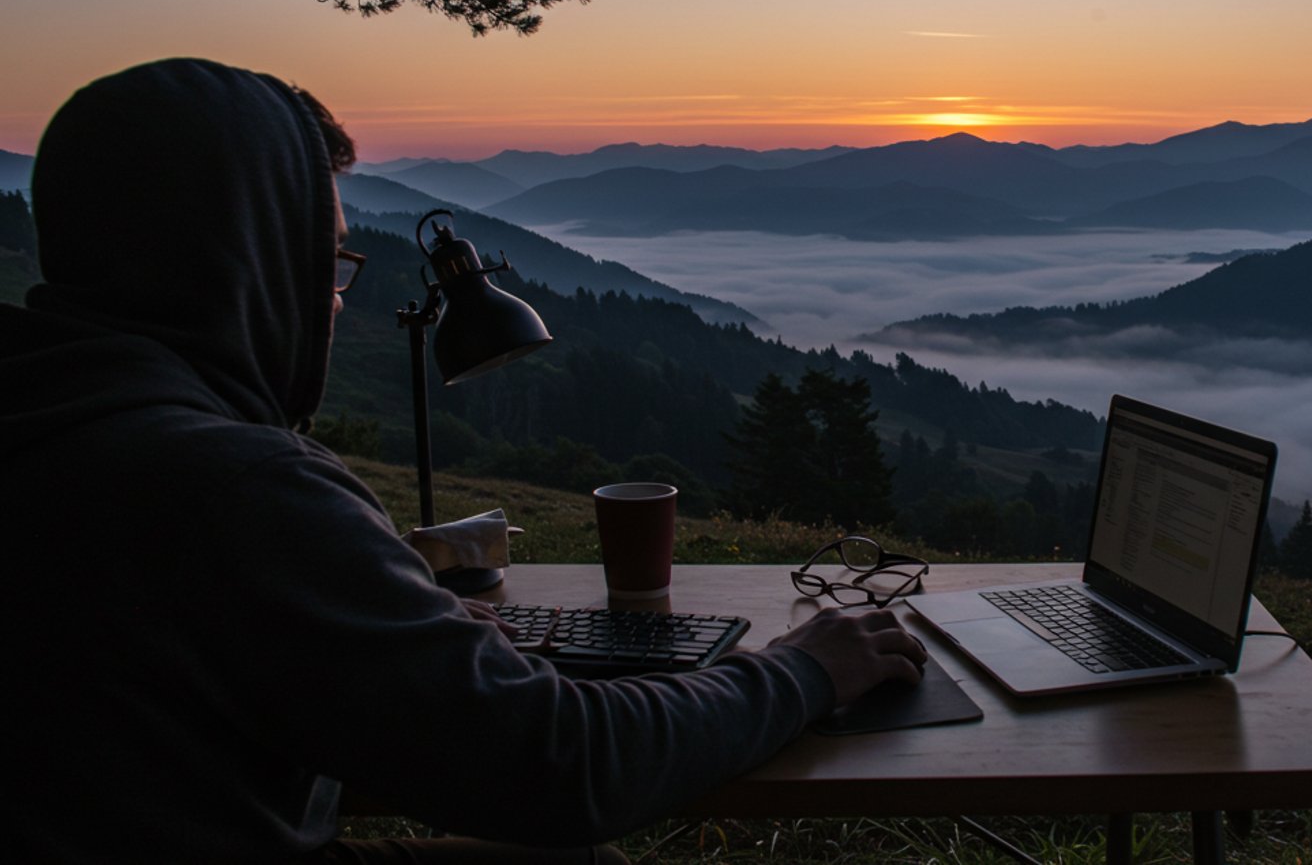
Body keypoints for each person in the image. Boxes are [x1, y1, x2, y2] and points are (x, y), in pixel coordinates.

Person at [0, 59, 928, 863]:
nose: (330, 303)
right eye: (323, 266)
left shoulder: (54, 417)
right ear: (247, 264)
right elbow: (564, 768)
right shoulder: (229, 488)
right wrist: (806, 668)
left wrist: (392, 613)